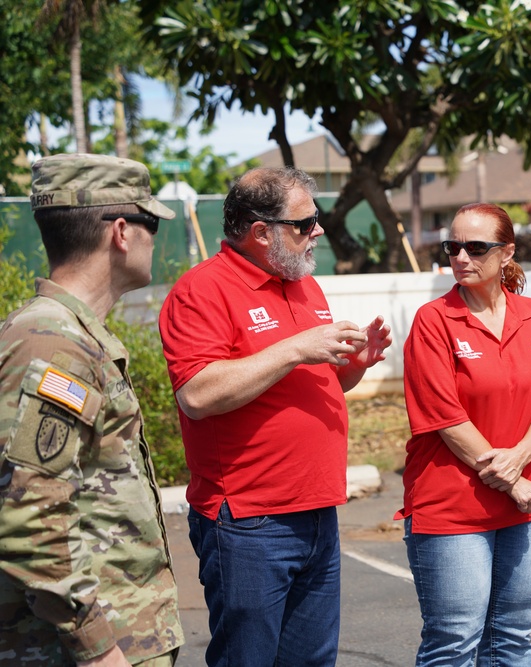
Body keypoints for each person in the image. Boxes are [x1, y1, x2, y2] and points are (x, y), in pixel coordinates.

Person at [158, 166, 391, 667]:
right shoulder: (202, 290)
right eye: (305, 222)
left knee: (311, 661)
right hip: (249, 520)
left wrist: (354, 366)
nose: (319, 231)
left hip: (317, 509)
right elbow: (197, 394)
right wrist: (296, 348)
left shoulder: (303, 283)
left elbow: (319, 381)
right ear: (261, 232)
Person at [0, 154, 184, 666]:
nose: (156, 238)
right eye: (151, 223)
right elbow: (31, 520)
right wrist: (99, 650)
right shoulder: (53, 343)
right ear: (121, 232)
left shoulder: (68, 336)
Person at [398, 202, 531, 666]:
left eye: (475, 247)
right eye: (452, 247)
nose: (460, 258)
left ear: (507, 252)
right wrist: (512, 478)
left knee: (513, 635)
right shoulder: (433, 321)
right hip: (455, 506)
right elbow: (446, 418)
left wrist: (519, 459)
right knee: (454, 641)